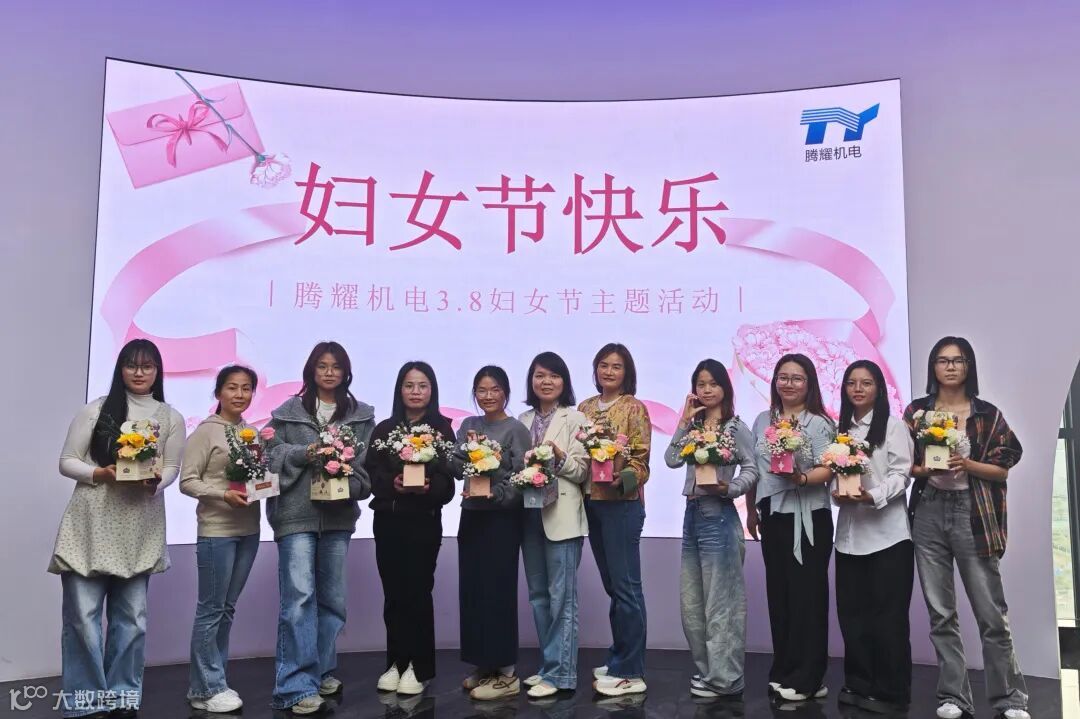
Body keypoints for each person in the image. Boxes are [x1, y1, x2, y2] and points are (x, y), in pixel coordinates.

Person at [49, 338, 186, 719]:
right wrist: (101, 473)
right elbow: (67, 461)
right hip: (90, 522)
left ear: (158, 371)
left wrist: (156, 482)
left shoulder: (171, 417)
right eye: (131, 365)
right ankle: (86, 701)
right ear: (120, 369)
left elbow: (172, 468)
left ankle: (123, 695)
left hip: (139, 524)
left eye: (147, 366)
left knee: (132, 621)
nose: (139, 373)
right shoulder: (96, 410)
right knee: (82, 619)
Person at [904, 337, 1029, 719]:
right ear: (933, 367)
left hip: (973, 513)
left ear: (969, 366)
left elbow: (1003, 468)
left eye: (957, 360)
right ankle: (953, 697)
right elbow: (903, 465)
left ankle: (1009, 699)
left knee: (991, 613)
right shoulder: (917, 412)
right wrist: (923, 469)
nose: (950, 366)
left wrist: (967, 465)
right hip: (928, 512)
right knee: (941, 612)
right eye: (942, 360)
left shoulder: (987, 414)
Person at [264, 342, 374, 715]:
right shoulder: (286, 414)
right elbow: (268, 457)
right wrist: (305, 454)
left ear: (346, 372)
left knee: (333, 601)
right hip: (295, 516)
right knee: (298, 599)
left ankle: (321, 670)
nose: (329, 372)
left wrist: (345, 477)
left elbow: (366, 473)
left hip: (339, 518)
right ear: (311, 370)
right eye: (322, 365)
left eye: (336, 366)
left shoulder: (361, 417)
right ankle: (294, 686)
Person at [664, 359, 757, 699]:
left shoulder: (736, 427)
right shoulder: (694, 426)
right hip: (692, 515)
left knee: (722, 603)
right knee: (693, 603)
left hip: (718, 514)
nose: (706, 389)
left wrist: (729, 489)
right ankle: (709, 673)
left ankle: (727, 679)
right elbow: (671, 460)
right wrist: (683, 421)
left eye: (713, 383)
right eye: (701, 384)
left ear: (725, 388)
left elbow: (752, 469)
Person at [747, 353, 835, 702]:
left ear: (809, 383)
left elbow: (830, 468)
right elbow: (754, 467)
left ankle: (809, 678)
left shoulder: (819, 423)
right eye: (783, 377)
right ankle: (783, 669)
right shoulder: (762, 420)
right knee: (780, 596)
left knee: (807, 598)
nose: (789, 384)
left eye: (797, 378)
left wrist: (801, 478)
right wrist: (752, 510)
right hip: (773, 515)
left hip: (809, 517)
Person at [366, 361, 456, 696]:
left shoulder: (442, 430)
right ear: (399, 390)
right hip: (388, 520)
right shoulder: (383, 429)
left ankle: (420, 667)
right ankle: (396, 662)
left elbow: (449, 484)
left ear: (432, 390)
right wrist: (393, 483)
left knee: (417, 592)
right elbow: (371, 475)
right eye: (409, 385)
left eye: (422, 385)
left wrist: (429, 487)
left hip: (423, 521)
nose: (415, 392)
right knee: (393, 595)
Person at [180, 365, 264, 713]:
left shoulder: (252, 433)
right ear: (218, 393)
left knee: (226, 609)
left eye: (246, 388)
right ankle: (206, 687)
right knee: (211, 609)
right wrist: (222, 495)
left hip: (249, 530)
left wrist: (266, 486)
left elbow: (257, 480)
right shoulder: (206, 432)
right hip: (216, 531)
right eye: (232, 387)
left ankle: (212, 682)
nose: (239, 394)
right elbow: (187, 481)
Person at [832, 360, 914, 714]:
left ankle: (891, 692)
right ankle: (858, 683)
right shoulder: (841, 429)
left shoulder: (893, 427)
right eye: (852, 383)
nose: (858, 389)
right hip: (849, 537)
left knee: (888, 619)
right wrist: (837, 493)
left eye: (866, 383)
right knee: (852, 617)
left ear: (879, 388)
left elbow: (902, 474)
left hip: (888, 538)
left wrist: (873, 496)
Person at [577, 343, 652, 696]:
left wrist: (624, 477)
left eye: (616, 366)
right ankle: (620, 656)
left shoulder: (634, 408)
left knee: (626, 588)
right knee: (613, 587)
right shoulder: (584, 408)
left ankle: (631, 672)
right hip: (591, 503)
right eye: (603, 365)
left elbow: (642, 461)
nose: (609, 371)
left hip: (622, 505)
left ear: (627, 372)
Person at [453, 366, 532, 700]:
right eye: (482, 390)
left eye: (495, 389)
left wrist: (496, 492)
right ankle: (483, 664)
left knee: (498, 592)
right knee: (473, 591)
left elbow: (523, 477)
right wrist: (467, 455)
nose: (488, 396)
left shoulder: (515, 429)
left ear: (506, 393)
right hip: (471, 516)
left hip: (502, 519)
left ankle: (506, 671)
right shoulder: (468, 425)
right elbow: (454, 466)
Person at [518, 352, 589, 698]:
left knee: (563, 599)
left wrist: (559, 458)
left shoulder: (576, 418)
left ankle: (562, 673)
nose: (546, 381)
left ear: (564, 381)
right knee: (538, 597)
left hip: (562, 517)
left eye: (553, 376)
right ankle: (549, 666)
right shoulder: (522, 419)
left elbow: (583, 471)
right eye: (539, 375)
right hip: (529, 515)